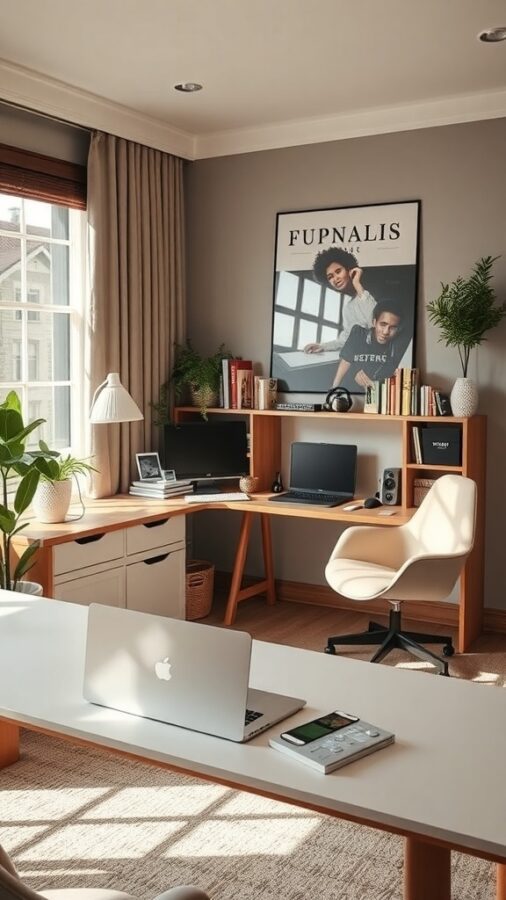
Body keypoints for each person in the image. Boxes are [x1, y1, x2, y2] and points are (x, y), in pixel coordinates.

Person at [303, 247, 376, 353]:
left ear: (349, 270)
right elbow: (345, 340)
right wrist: (322, 346)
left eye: (338, 271)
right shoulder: (348, 307)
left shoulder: (368, 292)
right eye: (330, 277)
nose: (335, 279)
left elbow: (375, 325)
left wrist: (356, 283)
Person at [331, 300, 405, 390]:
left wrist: (373, 386)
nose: (386, 332)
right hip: (349, 392)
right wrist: (333, 388)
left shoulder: (398, 347)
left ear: (398, 329)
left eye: (392, 328)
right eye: (383, 324)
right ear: (374, 322)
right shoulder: (358, 333)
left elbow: (395, 381)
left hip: (376, 393)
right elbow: (346, 361)